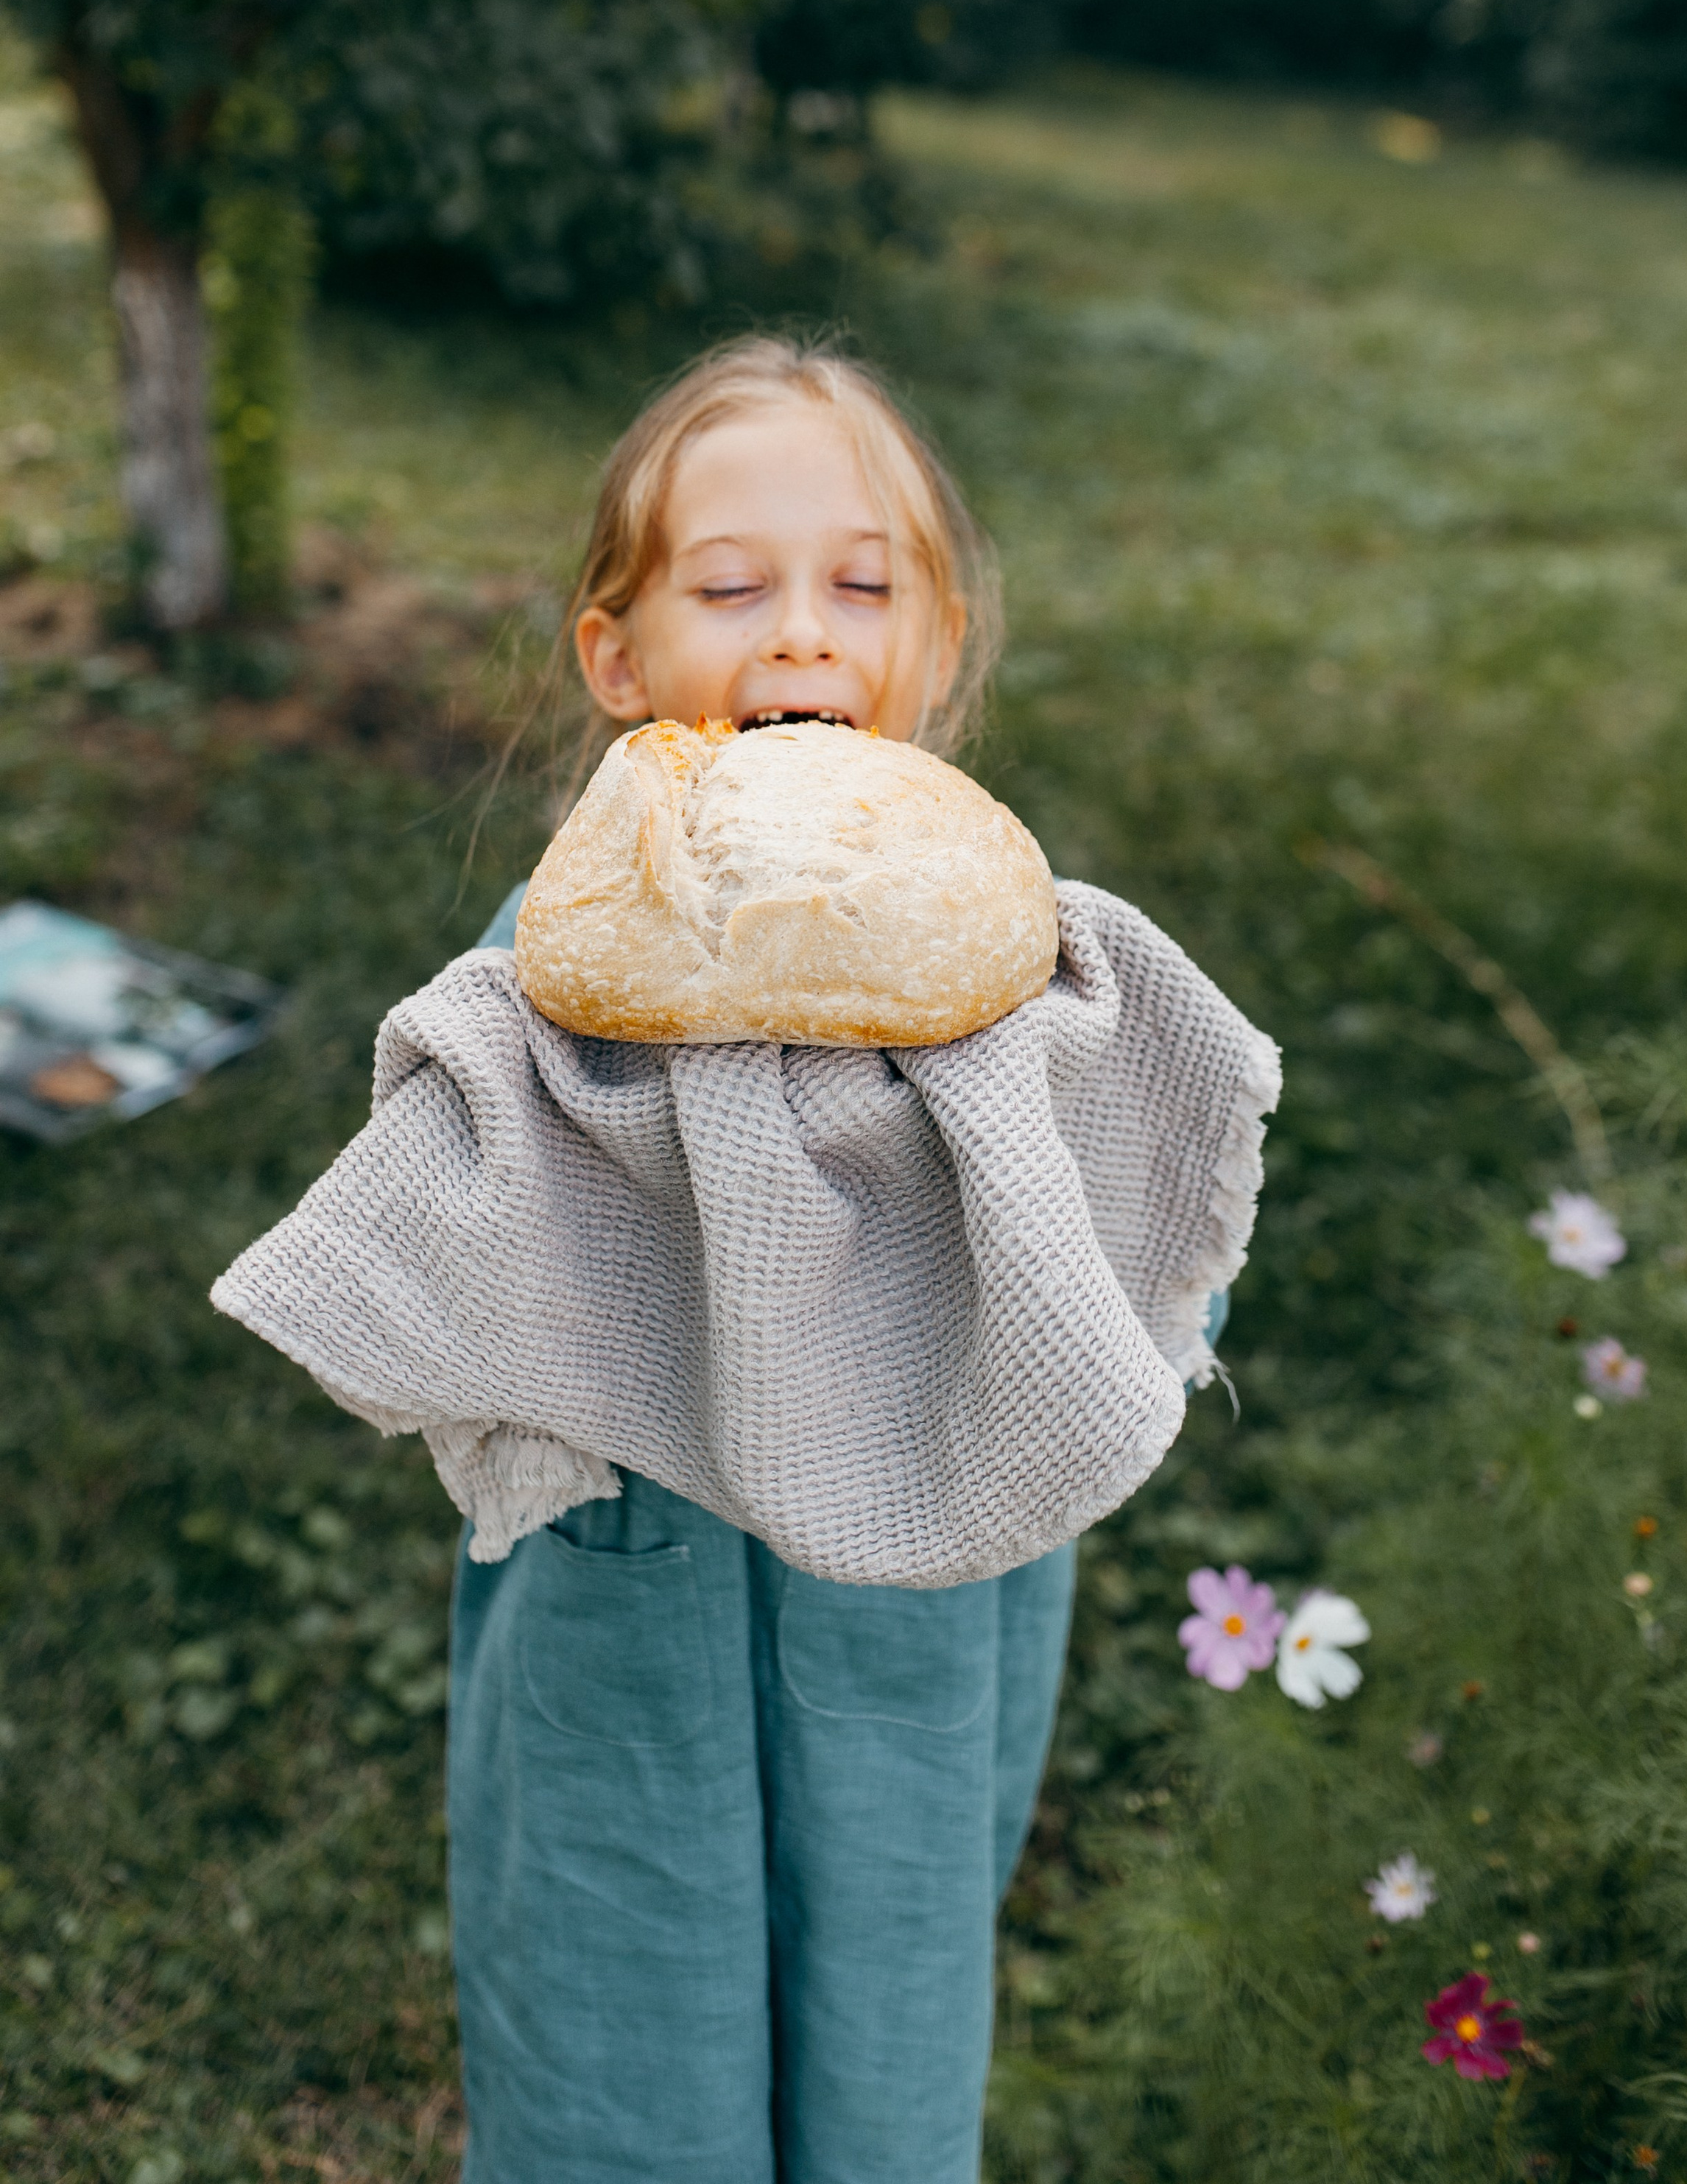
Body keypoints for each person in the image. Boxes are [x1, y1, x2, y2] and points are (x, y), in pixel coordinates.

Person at [453, 336, 1084, 2184]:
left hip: (909, 1584)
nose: (801, 629)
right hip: (627, 1583)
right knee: (610, 2019)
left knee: (883, 2010)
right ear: (619, 660)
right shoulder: (558, 953)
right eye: (731, 587)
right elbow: (455, 1247)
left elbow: (1122, 1245)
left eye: (862, 585)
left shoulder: (993, 948)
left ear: (934, 651)